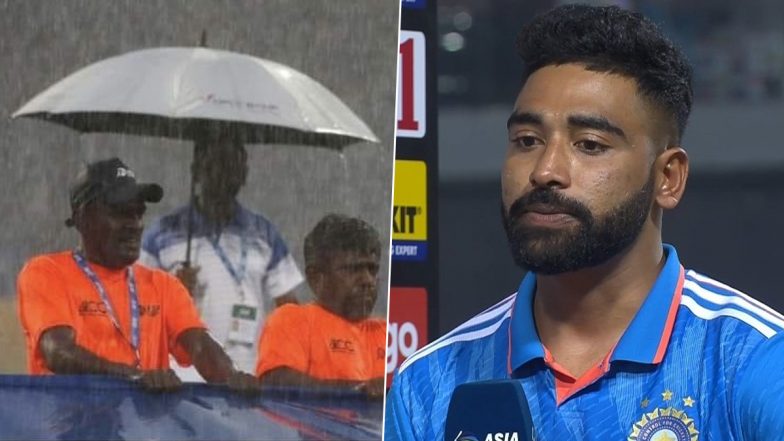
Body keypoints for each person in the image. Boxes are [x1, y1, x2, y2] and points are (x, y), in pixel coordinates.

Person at [385, 4, 784, 440]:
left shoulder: (754, 361)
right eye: (527, 140)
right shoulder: (427, 386)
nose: (545, 170)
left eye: (589, 145)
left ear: (667, 178)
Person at [17, 157, 258, 392]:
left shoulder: (164, 285)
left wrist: (234, 376)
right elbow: (57, 352)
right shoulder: (46, 272)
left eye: (138, 214)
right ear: (83, 218)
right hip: (69, 429)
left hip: (141, 430)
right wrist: (132, 376)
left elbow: (201, 347)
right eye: (121, 213)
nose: (134, 224)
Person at [141, 132, 304, 380]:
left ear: (244, 173)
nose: (225, 174)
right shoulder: (163, 233)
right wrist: (171, 292)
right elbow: (137, 305)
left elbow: (290, 310)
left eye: (233, 165)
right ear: (196, 170)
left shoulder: (264, 233)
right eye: (215, 164)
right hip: (184, 381)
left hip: (248, 379)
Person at [255, 214, 386, 399]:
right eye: (353, 269)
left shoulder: (387, 332)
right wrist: (359, 392)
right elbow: (278, 383)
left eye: (372, 269)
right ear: (316, 278)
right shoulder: (292, 320)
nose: (367, 280)